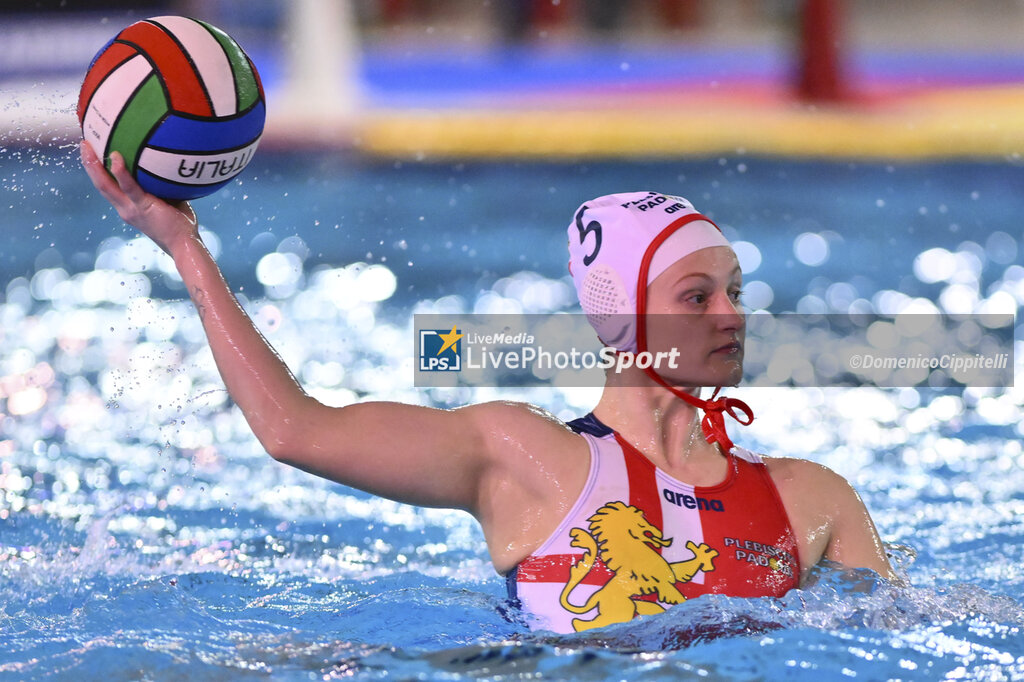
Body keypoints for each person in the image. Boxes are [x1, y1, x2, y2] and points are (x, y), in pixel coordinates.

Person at [80, 145, 894, 634]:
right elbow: (296, 431)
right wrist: (184, 246)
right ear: (618, 315)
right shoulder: (524, 453)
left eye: (736, 292)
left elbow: (905, 635)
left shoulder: (813, 500)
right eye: (696, 297)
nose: (732, 316)